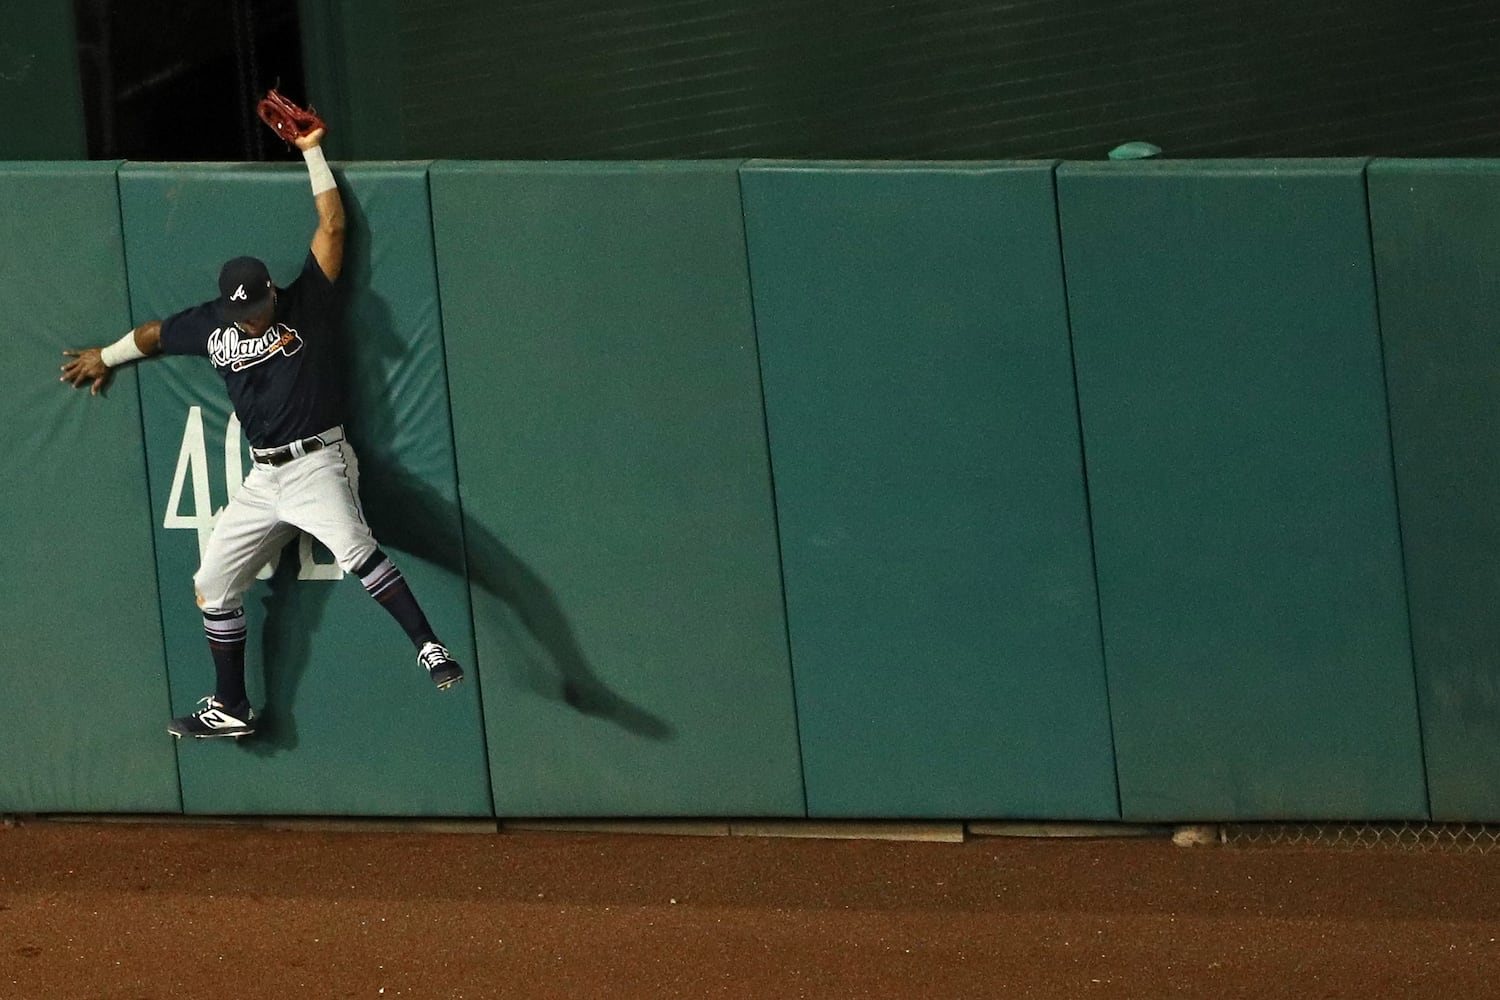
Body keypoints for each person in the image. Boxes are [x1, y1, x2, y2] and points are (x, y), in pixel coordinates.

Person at [60, 123, 464, 740]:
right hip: (264, 476)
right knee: (212, 586)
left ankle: (430, 647)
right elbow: (155, 335)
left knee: (358, 553)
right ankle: (230, 707)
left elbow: (332, 228)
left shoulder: (307, 304)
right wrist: (107, 357)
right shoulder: (213, 327)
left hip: (317, 462)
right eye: (238, 314)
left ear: (271, 293)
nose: (247, 322)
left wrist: (311, 151)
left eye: (255, 310)